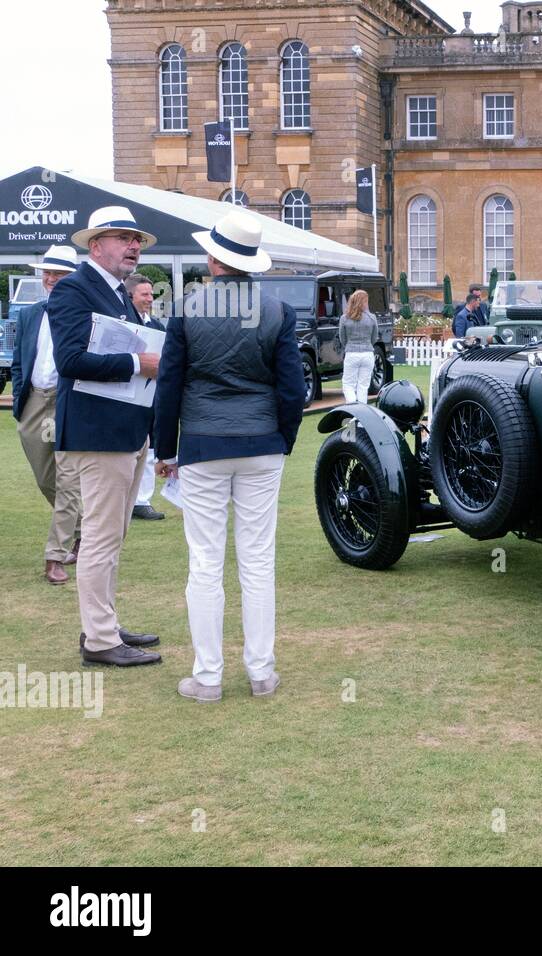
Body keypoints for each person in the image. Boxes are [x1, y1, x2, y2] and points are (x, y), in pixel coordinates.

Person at [153, 209, 304, 701]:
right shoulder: (278, 312)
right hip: (262, 442)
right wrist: (283, 439)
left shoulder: (185, 309)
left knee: (205, 561)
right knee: (258, 559)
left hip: (202, 444)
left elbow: (170, 386)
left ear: (214, 259)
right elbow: (292, 389)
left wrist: (165, 448)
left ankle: (209, 675)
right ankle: (261, 671)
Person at [48, 206, 164, 666]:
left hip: (124, 430)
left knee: (111, 536)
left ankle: (105, 625)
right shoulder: (74, 290)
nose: (134, 246)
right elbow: (70, 361)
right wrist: (140, 364)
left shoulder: (117, 294)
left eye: (136, 239)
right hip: (98, 434)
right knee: (99, 538)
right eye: (123, 238)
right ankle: (99, 640)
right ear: (96, 245)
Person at [11, 245, 83, 585]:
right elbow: (18, 361)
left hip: (69, 402)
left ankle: (56, 555)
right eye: (46, 272)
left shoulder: (84, 314)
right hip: (34, 404)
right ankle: (83, 529)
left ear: (73, 277)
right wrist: (20, 402)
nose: (50, 278)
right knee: (46, 479)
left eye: (57, 272)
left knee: (68, 479)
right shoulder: (28, 315)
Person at [124, 272, 165, 521]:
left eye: (151, 293)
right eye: (145, 294)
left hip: (151, 398)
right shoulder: (121, 324)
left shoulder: (158, 326)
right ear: (130, 296)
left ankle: (142, 501)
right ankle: (124, 500)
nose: (150, 298)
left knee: (149, 448)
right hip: (123, 395)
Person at [338, 289, 379, 404]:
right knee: (363, 386)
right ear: (364, 302)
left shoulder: (344, 318)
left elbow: (342, 338)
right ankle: (361, 415)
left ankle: (352, 410)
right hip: (367, 353)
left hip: (351, 353)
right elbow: (374, 338)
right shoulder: (372, 318)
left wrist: (350, 346)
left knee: (348, 384)